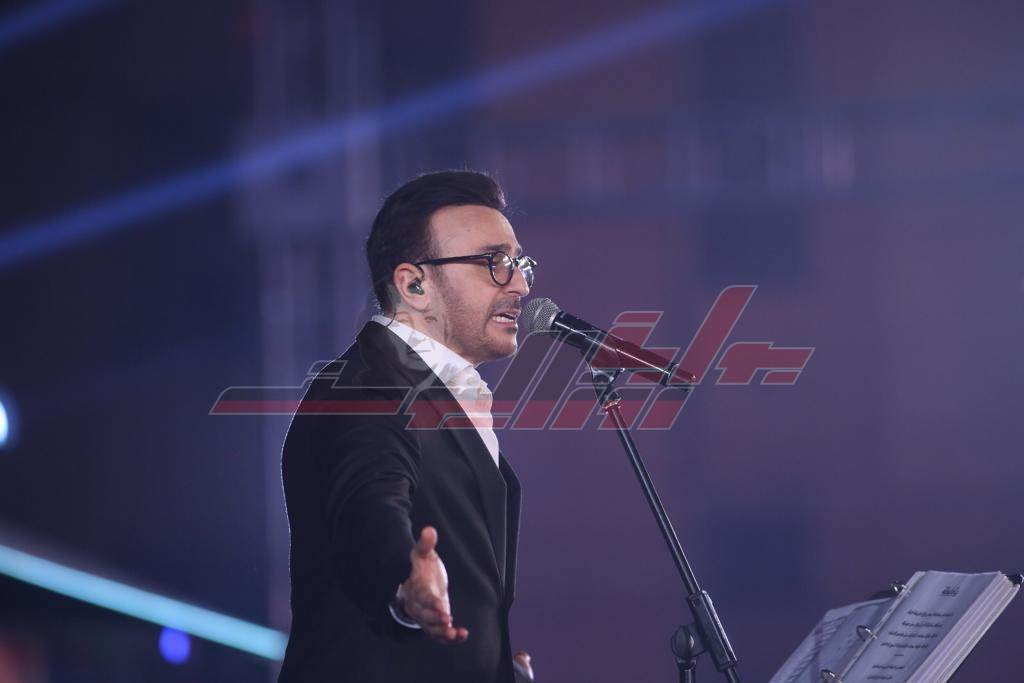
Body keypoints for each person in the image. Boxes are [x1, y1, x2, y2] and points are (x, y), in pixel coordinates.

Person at [278, 170, 536, 682]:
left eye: (519, 263)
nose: (520, 284)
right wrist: (403, 582)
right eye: (495, 263)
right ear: (414, 285)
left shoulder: (437, 394)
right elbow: (369, 501)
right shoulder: (367, 385)